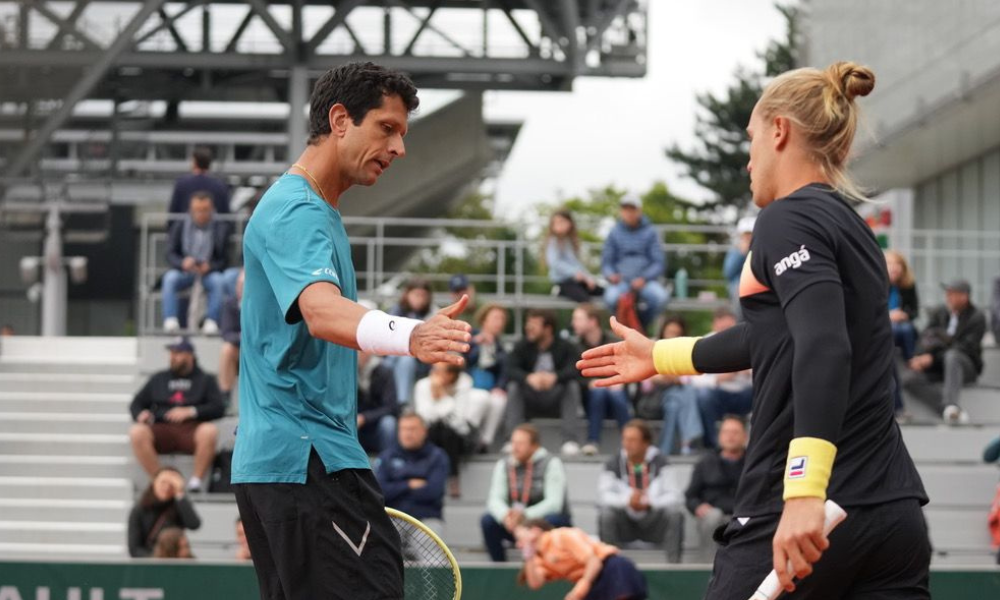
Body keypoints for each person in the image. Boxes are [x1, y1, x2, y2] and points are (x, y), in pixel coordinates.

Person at [579, 62, 930, 598]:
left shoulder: (785, 218)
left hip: (810, 509)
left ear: (780, 131)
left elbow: (822, 345)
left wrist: (805, 491)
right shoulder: (852, 227)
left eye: (750, 140)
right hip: (892, 513)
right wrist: (662, 355)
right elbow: (782, 335)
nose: (748, 160)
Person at [231, 62, 471, 600]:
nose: (399, 148)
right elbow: (321, 310)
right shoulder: (297, 210)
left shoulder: (312, 211)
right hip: (307, 460)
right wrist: (410, 335)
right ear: (340, 119)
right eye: (387, 128)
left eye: (402, 133)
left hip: (289, 463)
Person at [129, 338, 224, 492]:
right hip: (162, 427)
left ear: (190, 355)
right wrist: (141, 414)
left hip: (192, 429)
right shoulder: (159, 378)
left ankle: (195, 482)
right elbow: (136, 403)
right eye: (172, 353)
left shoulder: (205, 379)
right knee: (137, 432)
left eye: (178, 353)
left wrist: (191, 411)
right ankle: (160, 480)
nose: (173, 357)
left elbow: (218, 407)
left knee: (209, 431)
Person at [597, 419, 685, 563]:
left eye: (632, 440)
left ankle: (673, 566)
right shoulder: (613, 463)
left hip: (654, 521)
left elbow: (675, 496)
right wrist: (627, 500)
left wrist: (651, 502)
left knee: (675, 514)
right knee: (606, 514)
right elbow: (602, 497)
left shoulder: (661, 462)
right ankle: (609, 567)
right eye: (625, 439)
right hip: (625, 521)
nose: (627, 444)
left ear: (646, 443)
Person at [481, 424, 571, 562]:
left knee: (554, 519)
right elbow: (494, 499)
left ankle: (547, 566)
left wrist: (524, 516)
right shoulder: (503, 465)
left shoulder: (552, 463)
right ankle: (499, 567)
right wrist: (506, 516)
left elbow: (554, 503)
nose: (515, 448)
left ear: (534, 446)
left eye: (521, 443)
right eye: (513, 442)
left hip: (541, 522)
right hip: (514, 524)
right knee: (488, 521)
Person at [902, 279, 987, 424]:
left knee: (952, 356)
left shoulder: (977, 317)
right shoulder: (940, 312)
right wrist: (920, 357)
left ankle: (951, 403)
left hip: (965, 367)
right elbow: (926, 337)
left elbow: (964, 347)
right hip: (940, 367)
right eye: (947, 293)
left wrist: (933, 357)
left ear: (964, 296)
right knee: (910, 379)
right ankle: (947, 410)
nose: (948, 297)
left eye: (952, 294)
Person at [506, 309, 583, 456]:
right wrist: (528, 377)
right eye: (528, 324)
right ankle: (511, 439)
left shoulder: (565, 346)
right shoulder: (522, 345)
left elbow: (576, 368)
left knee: (571, 386)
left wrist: (555, 377)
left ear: (548, 328)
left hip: (555, 398)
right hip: (530, 398)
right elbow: (509, 369)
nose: (528, 328)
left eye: (533, 325)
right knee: (514, 386)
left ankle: (569, 440)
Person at [515, 519, 648, 600]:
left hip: (612, 570)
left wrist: (580, 590)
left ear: (535, 531)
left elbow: (594, 562)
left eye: (519, 538)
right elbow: (535, 583)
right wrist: (529, 556)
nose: (518, 544)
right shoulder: (538, 558)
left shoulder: (562, 536)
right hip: (593, 583)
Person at [162, 191, 231, 333]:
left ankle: (211, 321)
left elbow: (225, 259)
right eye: (197, 210)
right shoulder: (180, 225)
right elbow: (170, 253)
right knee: (170, 278)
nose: (201, 214)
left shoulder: (220, 228)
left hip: (208, 272)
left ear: (211, 210)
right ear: (191, 210)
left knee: (219, 281)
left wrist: (210, 266)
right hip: (185, 270)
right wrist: (182, 262)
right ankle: (170, 319)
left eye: (205, 210)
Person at [413, 362, 484, 497]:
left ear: (451, 375)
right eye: (433, 369)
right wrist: (442, 402)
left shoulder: (464, 383)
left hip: (459, 438)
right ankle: (435, 476)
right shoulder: (423, 385)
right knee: (435, 429)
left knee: (448, 432)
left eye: (439, 371)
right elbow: (424, 418)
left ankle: (452, 477)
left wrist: (441, 396)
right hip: (433, 434)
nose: (433, 374)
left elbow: (458, 421)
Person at [601, 194, 668, 332]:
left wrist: (644, 278)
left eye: (632, 209)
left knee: (661, 298)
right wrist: (611, 275)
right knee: (611, 298)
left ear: (639, 211)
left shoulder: (650, 232)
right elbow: (606, 262)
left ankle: (640, 326)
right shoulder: (614, 233)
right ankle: (622, 329)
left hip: (645, 281)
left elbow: (658, 262)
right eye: (625, 209)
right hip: (621, 281)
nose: (629, 213)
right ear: (621, 212)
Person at [685, 415, 747, 563]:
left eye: (735, 432)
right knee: (713, 516)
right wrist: (698, 507)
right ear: (720, 436)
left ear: (745, 436)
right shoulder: (705, 462)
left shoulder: (753, 462)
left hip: (744, 514)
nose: (730, 436)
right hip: (714, 515)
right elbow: (690, 496)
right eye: (726, 432)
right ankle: (708, 567)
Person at [374, 412, 449, 534]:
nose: (408, 434)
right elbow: (380, 492)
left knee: (431, 548)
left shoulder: (438, 456)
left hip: (426, 520)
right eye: (404, 429)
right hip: (393, 519)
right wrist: (408, 484)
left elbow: (433, 492)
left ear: (424, 431)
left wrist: (396, 488)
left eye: (412, 429)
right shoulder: (386, 457)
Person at [572, 303, 630, 456]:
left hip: (614, 394)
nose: (573, 323)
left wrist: (618, 382)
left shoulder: (614, 342)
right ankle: (592, 441)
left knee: (615, 393)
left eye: (577, 319)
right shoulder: (575, 347)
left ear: (592, 321)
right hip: (590, 397)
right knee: (599, 392)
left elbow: (627, 368)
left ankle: (630, 441)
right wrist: (590, 383)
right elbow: (573, 376)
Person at [693, 307, 754, 448]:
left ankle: (756, 443)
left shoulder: (748, 342)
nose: (726, 333)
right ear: (714, 326)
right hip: (718, 394)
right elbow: (693, 380)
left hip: (745, 393)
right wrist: (718, 379)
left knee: (766, 391)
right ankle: (714, 444)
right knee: (704, 396)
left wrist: (747, 372)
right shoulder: (703, 344)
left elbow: (765, 373)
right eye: (723, 329)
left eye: (730, 328)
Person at [645, 316, 703, 455]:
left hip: (676, 397)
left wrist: (665, 375)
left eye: (676, 333)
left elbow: (689, 379)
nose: (672, 336)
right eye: (670, 332)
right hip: (655, 398)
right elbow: (646, 382)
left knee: (674, 405)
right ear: (663, 331)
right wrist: (672, 377)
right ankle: (688, 440)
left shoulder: (686, 351)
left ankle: (664, 451)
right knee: (684, 392)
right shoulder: (652, 347)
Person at [127, 467, 202, 558]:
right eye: (163, 482)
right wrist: (157, 560)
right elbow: (135, 549)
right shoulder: (140, 509)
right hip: (150, 563)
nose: (166, 487)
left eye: (172, 485)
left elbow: (194, 524)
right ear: (154, 482)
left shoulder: (179, 506)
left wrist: (179, 493)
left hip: (176, 561)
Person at [465, 303, 509, 451]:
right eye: (496, 318)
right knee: (481, 397)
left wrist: (500, 387)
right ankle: (466, 436)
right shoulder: (470, 338)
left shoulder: (501, 347)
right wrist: (475, 344)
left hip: (489, 386)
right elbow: (462, 360)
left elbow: (504, 371)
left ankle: (485, 442)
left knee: (499, 399)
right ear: (484, 320)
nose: (499, 322)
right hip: (468, 384)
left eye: (502, 319)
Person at [386, 278, 436, 405]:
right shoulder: (396, 310)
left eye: (423, 295)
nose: (419, 299)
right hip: (393, 356)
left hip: (421, 360)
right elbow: (388, 337)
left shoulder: (432, 313)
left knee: (406, 360)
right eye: (416, 295)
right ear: (407, 294)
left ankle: (402, 403)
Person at [543, 209, 603, 302]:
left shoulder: (570, 242)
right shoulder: (553, 241)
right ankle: (559, 290)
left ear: (569, 223)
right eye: (556, 222)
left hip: (575, 280)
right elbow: (554, 263)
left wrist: (588, 278)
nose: (559, 225)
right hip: (563, 281)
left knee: (601, 291)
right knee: (585, 300)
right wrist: (574, 273)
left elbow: (576, 263)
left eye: (562, 221)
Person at [357, 350, 399, 455]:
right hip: (355, 421)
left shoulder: (384, 371)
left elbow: (391, 407)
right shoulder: (347, 371)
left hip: (376, 423)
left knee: (388, 423)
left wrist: (365, 418)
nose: (359, 354)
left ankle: (388, 461)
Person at [168, 146, 231, 216]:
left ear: (194, 162)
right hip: (214, 226)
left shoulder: (181, 184)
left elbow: (173, 213)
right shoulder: (220, 185)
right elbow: (226, 214)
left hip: (185, 226)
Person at [885, 250, 920, 360]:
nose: (894, 268)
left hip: (903, 324)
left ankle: (911, 359)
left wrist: (904, 315)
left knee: (906, 329)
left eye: (897, 264)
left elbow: (915, 311)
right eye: (890, 264)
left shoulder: (908, 286)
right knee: (893, 329)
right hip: (885, 323)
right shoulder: (878, 285)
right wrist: (889, 315)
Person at [218, 269, 243, 407]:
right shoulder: (230, 304)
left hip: (262, 348)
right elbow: (227, 334)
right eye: (241, 285)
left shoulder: (262, 303)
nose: (243, 289)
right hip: (241, 348)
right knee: (227, 349)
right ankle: (225, 396)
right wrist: (246, 337)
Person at [723, 217, 756, 317]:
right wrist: (741, 253)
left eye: (750, 235)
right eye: (745, 235)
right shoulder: (735, 251)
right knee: (739, 290)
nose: (748, 238)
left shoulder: (761, 248)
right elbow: (728, 273)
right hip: (739, 289)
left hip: (757, 285)